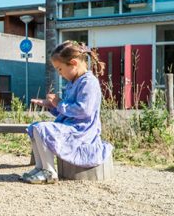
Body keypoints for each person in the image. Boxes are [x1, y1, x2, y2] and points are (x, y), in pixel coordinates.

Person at [24, 41, 113, 184]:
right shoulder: (73, 83)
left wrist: (59, 103)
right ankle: (40, 167)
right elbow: (67, 111)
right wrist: (51, 106)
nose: (59, 74)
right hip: (71, 127)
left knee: (42, 129)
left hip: (82, 131)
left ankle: (49, 172)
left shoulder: (88, 82)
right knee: (35, 127)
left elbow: (84, 110)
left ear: (73, 63)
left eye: (60, 69)